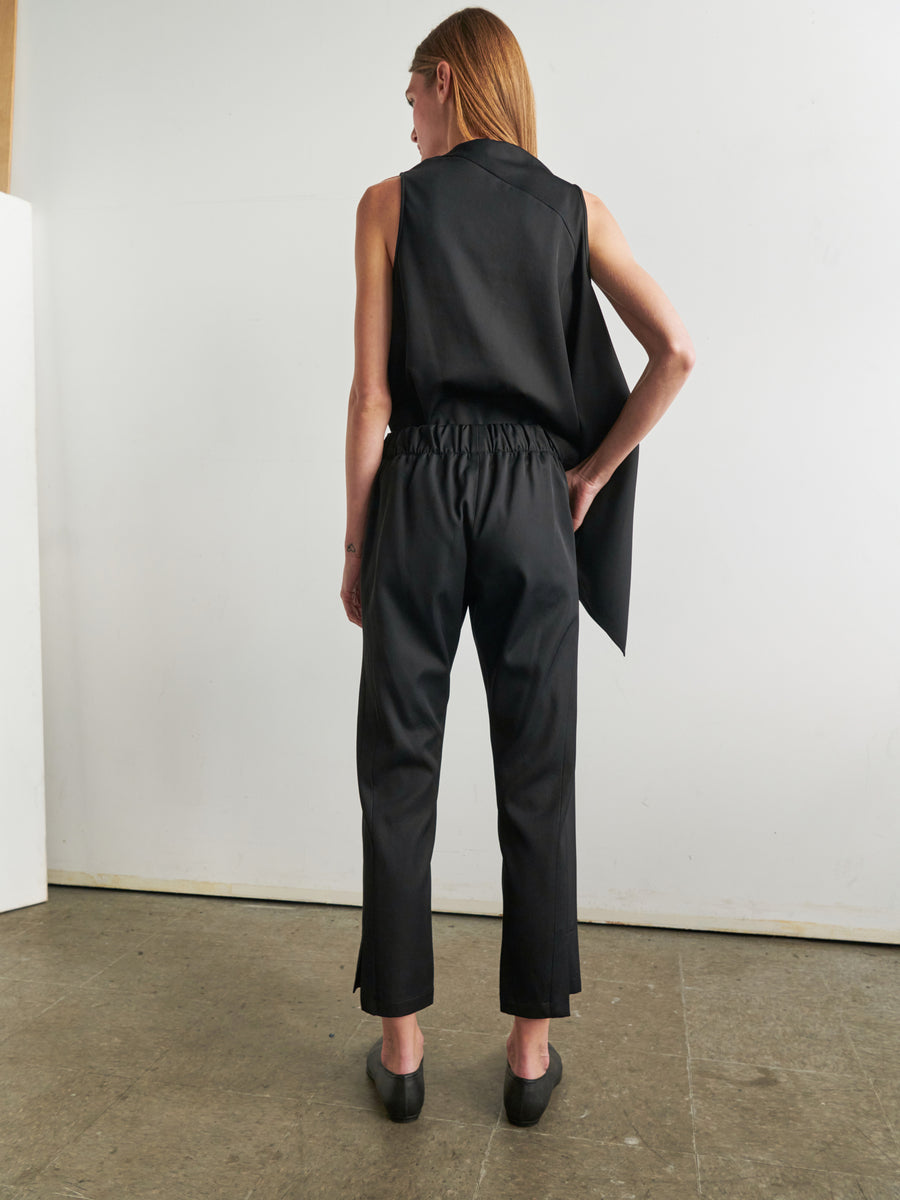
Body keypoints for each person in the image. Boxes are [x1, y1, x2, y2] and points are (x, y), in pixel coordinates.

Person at [341, 7, 695, 1125]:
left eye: (409, 91)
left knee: (399, 764)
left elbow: (371, 397)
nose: (403, 115)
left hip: (422, 488)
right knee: (537, 770)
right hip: (534, 498)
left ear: (444, 80)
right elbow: (676, 349)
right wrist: (586, 473)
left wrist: (358, 542)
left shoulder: (389, 205)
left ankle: (401, 1055)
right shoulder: (575, 210)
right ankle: (529, 1058)